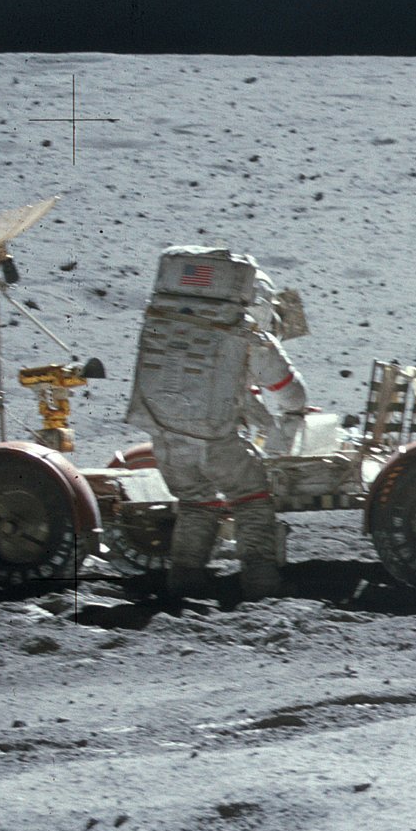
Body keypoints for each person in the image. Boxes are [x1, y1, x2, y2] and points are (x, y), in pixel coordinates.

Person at [125, 247, 307, 598]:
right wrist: (294, 412)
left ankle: (184, 580)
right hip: (216, 442)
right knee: (252, 500)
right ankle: (260, 582)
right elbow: (291, 393)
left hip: (165, 439)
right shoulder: (246, 335)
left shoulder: (165, 324)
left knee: (196, 504)